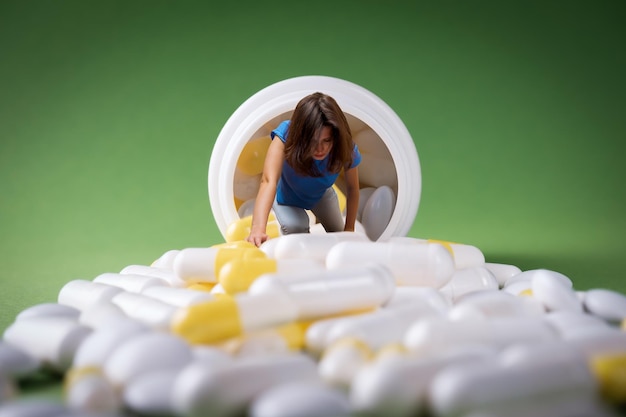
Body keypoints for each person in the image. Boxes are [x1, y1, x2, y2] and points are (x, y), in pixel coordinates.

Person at [246, 92, 361, 247]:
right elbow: (268, 180)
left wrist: (349, 230)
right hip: (286, 195)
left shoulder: (346, 147)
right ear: (300, 136)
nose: (320, 148)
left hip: (320, 194)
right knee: (297, 229)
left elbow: (353, 189)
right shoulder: (286, 133)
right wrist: (258, 229)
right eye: (312, 141)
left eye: (326, 140)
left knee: (339, 234)